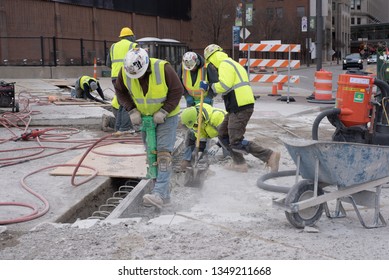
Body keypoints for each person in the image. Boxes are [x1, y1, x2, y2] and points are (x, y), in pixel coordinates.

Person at [114, 47, 183, 209]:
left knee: (163, 153)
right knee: (151, 154)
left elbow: (177, 90)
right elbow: (120, 91)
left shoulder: (163, 68)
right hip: (145, 118)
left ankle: (158, 193)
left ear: (146, 66)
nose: (137, 78)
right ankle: (163, 196)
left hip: (167, 116)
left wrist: (165, 110)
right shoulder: (125, 71)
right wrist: (131, 109)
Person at [200, 44, 280, 173]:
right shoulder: (233, 63)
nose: (212, 66)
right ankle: (239, 163)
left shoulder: (224, 65)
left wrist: (209, 86)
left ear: (212, 58)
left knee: (236, 141)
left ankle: (269, 155)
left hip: (240, 106)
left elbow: (225, 85)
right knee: (222, 134)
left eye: (210, 63)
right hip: (237, 106)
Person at [103, 27, 138, 132]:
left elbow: (108, 63)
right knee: (128, 101)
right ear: (131, 36)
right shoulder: (133, 45)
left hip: (114, 77)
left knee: (121, 101)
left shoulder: (113, 46)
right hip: (127, 76)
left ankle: (118, 127)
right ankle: (125, 128)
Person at [180, 103, 228, 169]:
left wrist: (217, 145)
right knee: (190, 133)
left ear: (199, 118)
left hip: (229, 131)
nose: (195, 127)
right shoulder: (196, 122)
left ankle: (230, 160)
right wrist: (200, 150)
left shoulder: (217, 117)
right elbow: (201, 136)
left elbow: (228, 134)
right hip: (209, 131)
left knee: (227, 143)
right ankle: (187, 159)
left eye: (195, 125)